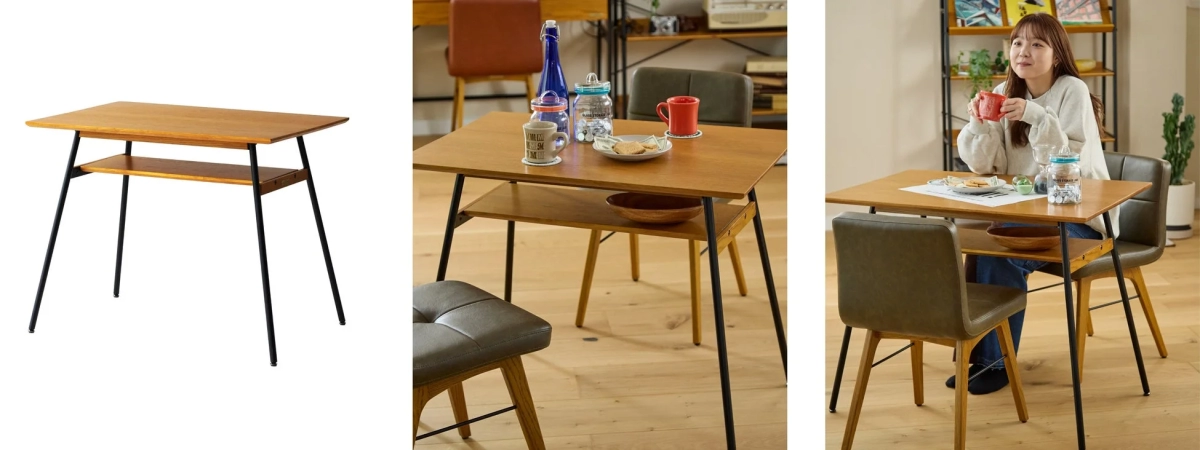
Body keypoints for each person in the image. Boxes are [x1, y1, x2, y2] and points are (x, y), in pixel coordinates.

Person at [953, 12, 1118, 395]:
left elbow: (1066, 164)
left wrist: (1035, 115)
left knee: (1002, 251)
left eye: (1037, 44)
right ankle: (977, 357)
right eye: (1017, 43)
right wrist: (978, 123)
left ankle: (997, 363)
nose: (1024, 51)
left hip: (1081, 219)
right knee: (977, 250)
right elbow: (983, 164)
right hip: (1025, 214)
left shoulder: (1071, 91)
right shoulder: (1004, 91)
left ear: (1056, 54)